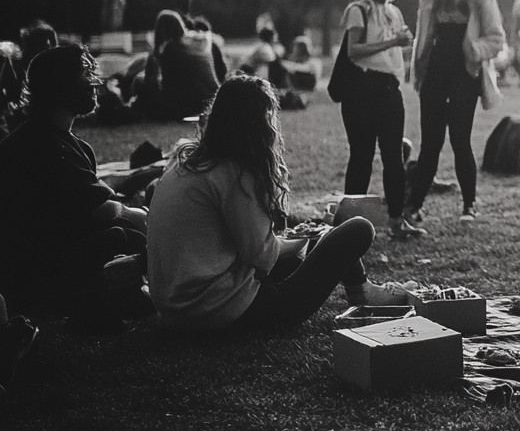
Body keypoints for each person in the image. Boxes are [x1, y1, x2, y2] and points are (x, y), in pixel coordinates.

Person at [148, 75, 404, 331]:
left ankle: (363, 289)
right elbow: (262, 257)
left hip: (175, 309)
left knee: (305, 249)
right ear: (260, 121)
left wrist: (297, 241)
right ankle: (363, 292)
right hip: (215, 309)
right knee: (357, 229)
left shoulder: (189, 160)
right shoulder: (232, 170)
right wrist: (305, 241)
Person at [0, 44, 152, 333]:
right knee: (125, 235)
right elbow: (103, 211)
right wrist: (145, 217)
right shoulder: (40, 145)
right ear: (60, 85)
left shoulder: (69, 144)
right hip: (29, 271)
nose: (95, 82)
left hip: (49, 253)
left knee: (124, 233)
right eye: (85, 74)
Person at [408, 0, 506, 224]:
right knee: (430, 141)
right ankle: (414, 204)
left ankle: (469, 205)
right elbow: (422, 39)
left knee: (460, 139)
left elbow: (497, 39)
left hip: (465, 71)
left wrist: (474, 51)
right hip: (436, 70)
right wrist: (419, 70)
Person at [338, 0, 422, 240]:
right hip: (362, 87)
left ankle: (396, 219)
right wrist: (392, 43)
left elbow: (395, 49)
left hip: (389, 87)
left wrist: (403, 42)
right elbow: (354, 50)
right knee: (361, 156)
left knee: (393, 157)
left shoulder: (394, 12)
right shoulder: (357, 10)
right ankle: (352, 222)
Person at [135, 10, 221, 120]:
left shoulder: (170, 49)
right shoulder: (199, 44)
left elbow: (168, 84)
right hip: (212, 99)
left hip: (188, 105)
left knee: (139, 81)